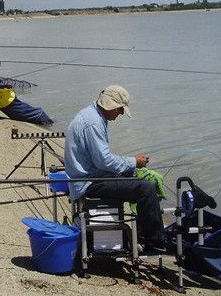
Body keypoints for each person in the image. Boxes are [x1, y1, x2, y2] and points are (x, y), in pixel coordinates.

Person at [64, 85, 166, 253]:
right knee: (145, 188)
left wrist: (130, 166)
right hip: (88, 183)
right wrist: (134, 161)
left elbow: (101, 160)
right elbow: (104, 161)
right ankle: (156, 243)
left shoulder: (92, 114)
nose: (120, 114)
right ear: (110, 105)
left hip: (88, 177)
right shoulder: (94, 122)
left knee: (138, 180)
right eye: (119, 110)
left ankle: (142, 236)